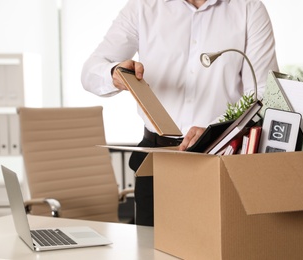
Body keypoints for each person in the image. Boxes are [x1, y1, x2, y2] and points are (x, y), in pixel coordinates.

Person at [81, 0, 279, 226]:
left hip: (219, 159)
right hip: (155, 161)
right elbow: (90, 71)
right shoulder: (143, 7)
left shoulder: (248, 9)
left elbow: (264, 93)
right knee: (150, 251)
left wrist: (216, 130)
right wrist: (113, 74)